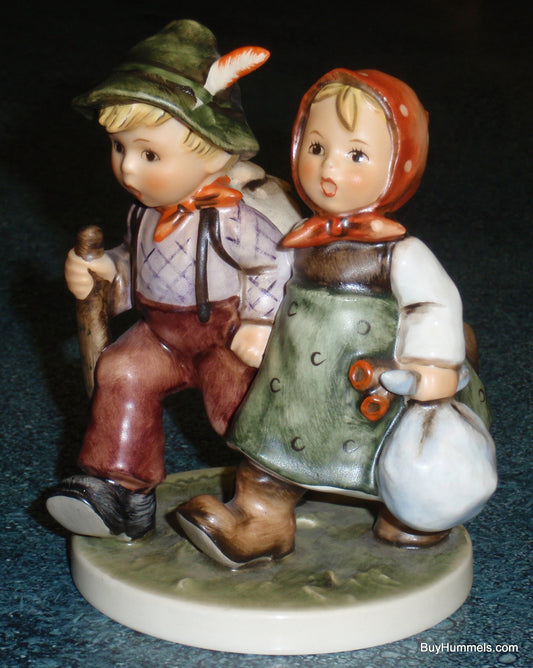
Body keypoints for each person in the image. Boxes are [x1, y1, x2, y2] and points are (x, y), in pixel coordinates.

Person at [177, 68, 497, 568]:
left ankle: (407, 515)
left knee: (381, 451)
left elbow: (433, 304)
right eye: (316, 146)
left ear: (400, 165)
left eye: (357, 155)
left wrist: (431, 363)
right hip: (295, 381)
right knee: (270, 452)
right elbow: (263, 274)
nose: (329, 167)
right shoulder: (298, 234)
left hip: (367, 379)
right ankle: (260, 520)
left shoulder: (401, 252)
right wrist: (256, 320)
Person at [46, 20, 292, 541]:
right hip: (160, 334)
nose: (129, 169)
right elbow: (139, 268)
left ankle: (267, 504)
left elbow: (273, 263)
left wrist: (260, 321)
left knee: (243, 413)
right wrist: (106, 275)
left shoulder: (229, 217)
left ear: (215, 153)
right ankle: (120, 493)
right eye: (119, 148)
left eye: (150, 154)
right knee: (121, 373)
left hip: (222, 335)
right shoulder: (143, 214)